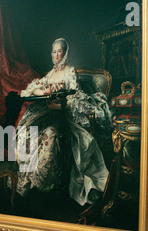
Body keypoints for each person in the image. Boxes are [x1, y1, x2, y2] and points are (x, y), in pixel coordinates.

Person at [13, 38, 112, 208]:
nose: (56, 55)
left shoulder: (70, 71)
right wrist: (43, 91)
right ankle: (27, 182)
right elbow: (32, 89)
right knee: (26, 132)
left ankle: (44, 184)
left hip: (62, 114)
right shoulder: (50, 74)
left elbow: (75, 96)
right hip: (45, 113)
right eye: (53, 51)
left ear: (65, 53)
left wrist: (57, 104)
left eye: (59, 51)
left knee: (49, 136)